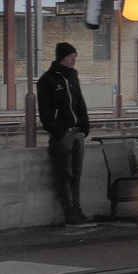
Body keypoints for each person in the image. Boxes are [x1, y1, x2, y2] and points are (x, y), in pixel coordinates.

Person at [36, 42, 94, 227]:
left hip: (77, 134)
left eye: (75, 56)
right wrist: (58, 131)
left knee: (76, 175)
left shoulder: (72, 78)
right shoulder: (48, 80)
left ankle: (78, 212)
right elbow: (45, 112)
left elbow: (80, 103)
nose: (74, 59)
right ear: (61, 57)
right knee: (64, 176)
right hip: (62, 135)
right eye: (70, 56)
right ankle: (70, 215)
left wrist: (85, 127)